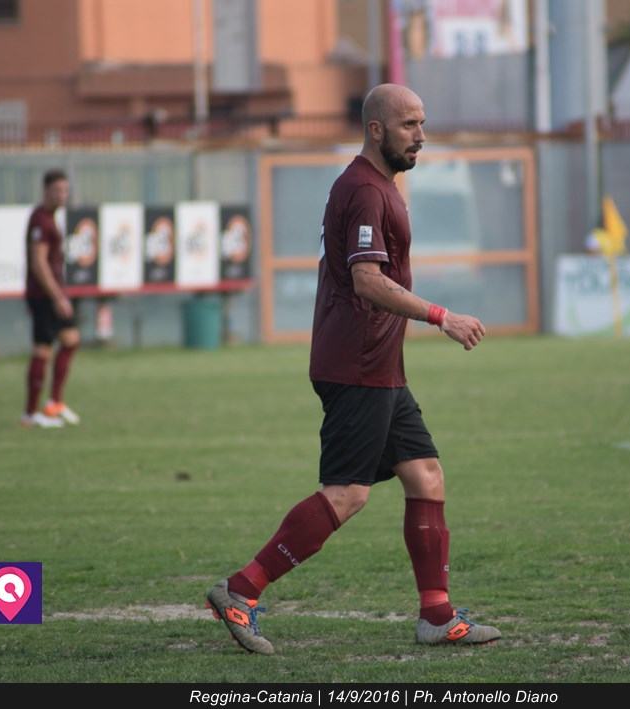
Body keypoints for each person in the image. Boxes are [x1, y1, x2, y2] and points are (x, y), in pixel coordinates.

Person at [206, 84, 500, 654]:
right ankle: (241, 590)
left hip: (379, 366)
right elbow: (367, 280)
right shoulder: (364, 191)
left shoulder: (379, 186)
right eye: (410, 125)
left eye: (422, 122)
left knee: (426, 475)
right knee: (347, 494)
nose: (421, 135)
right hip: (356, 366)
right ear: (376, 129)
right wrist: (441, 317)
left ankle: (436, 616)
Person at [21, 169, 81, 428]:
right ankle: (30, 413)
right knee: (42, 349)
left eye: (65, 190)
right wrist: (57, 296)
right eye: (57, 190)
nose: (62, 195)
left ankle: (54, 402)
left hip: (52, 294)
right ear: (45, 191)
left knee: (70, 339)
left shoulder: (50, 219)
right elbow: (38, 263)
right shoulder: (41, 221)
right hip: (43, 295)